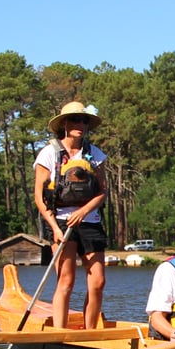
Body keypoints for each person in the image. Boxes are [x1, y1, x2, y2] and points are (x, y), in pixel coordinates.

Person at [32, 101, 108, 329]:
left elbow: (103, 192)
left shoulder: (95, 155)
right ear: (64, 123)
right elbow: (39, 197)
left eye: (84, 120)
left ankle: (91, 332)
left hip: (90, 222)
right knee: (66, 280)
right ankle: (59, 332)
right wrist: (55, 228)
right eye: (75, 120)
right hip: (61, 223)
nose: (80, 125)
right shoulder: (48, 154)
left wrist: (84, 211)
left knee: (98, 281)